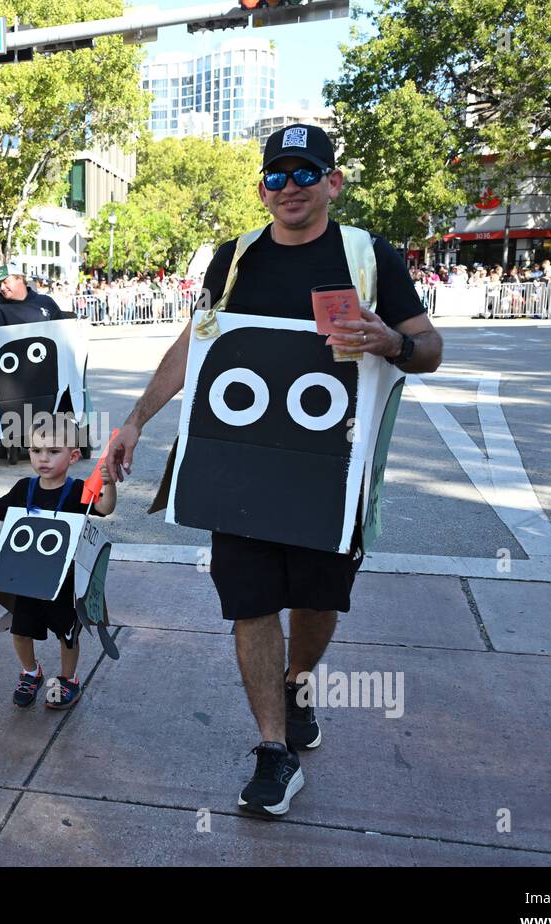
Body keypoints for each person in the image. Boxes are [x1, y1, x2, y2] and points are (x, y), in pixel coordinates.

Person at [104, 124, 442, 818]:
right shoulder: (234, 259)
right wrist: (137, 417)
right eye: (278, 177)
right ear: (263, 189)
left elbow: (431, 349)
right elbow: (194, 345)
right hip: (241, 470)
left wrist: (392, 340)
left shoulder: (368, 255)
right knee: (251, 602)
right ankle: (273, 749)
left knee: (318, 602)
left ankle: (298, 682)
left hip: (332, 473)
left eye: (305, 174)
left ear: (333, 183)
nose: (291, 188)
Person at [0, 415, 116, 709]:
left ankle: (68, 680)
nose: (43, 458)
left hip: (64, 583)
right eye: (37, 451)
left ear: (73, 456)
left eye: (53, 451)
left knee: (68, 635)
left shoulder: (78, 491)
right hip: (26, 579)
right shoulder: (24, 488)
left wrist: (109, 482)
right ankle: (30, 671)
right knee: (21, 631)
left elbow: (104, 506)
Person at [0, 262, 64, 327]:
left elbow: (63, 328)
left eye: (5, 282)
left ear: (20, 279)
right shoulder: (0, 313)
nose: (2, 288)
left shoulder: (46, 301)